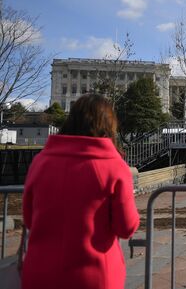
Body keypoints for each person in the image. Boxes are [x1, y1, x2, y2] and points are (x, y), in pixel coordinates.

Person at [21, 94, 140, 289]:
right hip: (94, 275)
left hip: (40, 274)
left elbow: (28, 219)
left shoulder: (40, 161)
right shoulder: (115, 166)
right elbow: (126, 227)